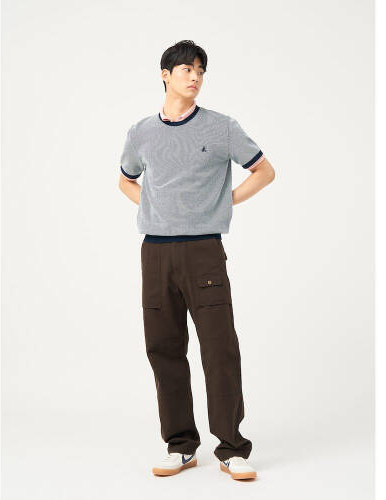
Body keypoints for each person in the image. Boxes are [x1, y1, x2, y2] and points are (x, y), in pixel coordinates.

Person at [118, 40, 275, 481]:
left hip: (203, 251)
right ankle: (181, 445)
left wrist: (223, 203)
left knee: (219, 348)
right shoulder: (141, 132)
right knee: (163, 348)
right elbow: (126, 180)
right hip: (155, 252)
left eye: (201, 71)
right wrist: (154, 207)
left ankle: (232, 448)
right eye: (187, 69)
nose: (195, 77)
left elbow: (264, 171)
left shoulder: (221, 127)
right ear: (164, 74)